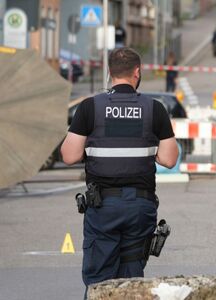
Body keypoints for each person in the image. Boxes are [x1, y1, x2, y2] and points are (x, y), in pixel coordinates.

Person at [60, 47, 179, 295]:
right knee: (132, 282)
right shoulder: (154, 109)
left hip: (103, 208)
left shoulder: (90, 107)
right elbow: (169, 159)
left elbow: (69, 156)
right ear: (137, 72)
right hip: (140, 208)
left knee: (100, 283)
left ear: (109, 73)